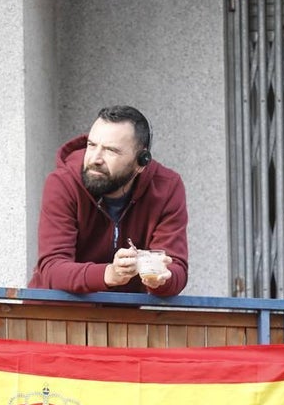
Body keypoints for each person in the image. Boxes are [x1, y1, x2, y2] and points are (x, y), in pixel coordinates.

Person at [28, 105, 188, 296]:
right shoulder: (63, 183)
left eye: (110, 150)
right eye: (91, 145)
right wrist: (109, 274)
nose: (95, 158)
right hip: (53, 318)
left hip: (121, 320)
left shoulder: (167, 187)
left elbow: (176, 268)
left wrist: (161, 278)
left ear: (141, 162)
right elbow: (52, 269)